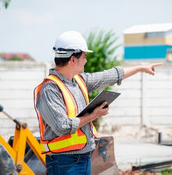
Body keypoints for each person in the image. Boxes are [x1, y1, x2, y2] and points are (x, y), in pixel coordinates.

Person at [34, 31, 162, 175]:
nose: (86, 61)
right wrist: (94, 115)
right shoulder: (49, 89)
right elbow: (62, 126)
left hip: (83, 157)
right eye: (84, 56)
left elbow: (110, 75)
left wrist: (140, 68)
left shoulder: (79, 81)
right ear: (73, 59)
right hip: (64, 162)